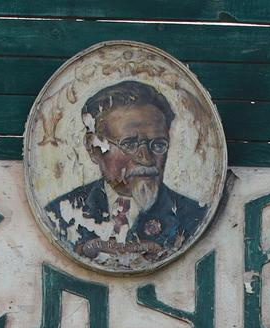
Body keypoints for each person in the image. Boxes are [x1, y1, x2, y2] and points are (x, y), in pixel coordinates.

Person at [41, 80, 208, 270]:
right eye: (129, 144)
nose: (146, 159)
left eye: (159, 145)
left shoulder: (193, 217)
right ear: (93, 148)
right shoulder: (59, 216)